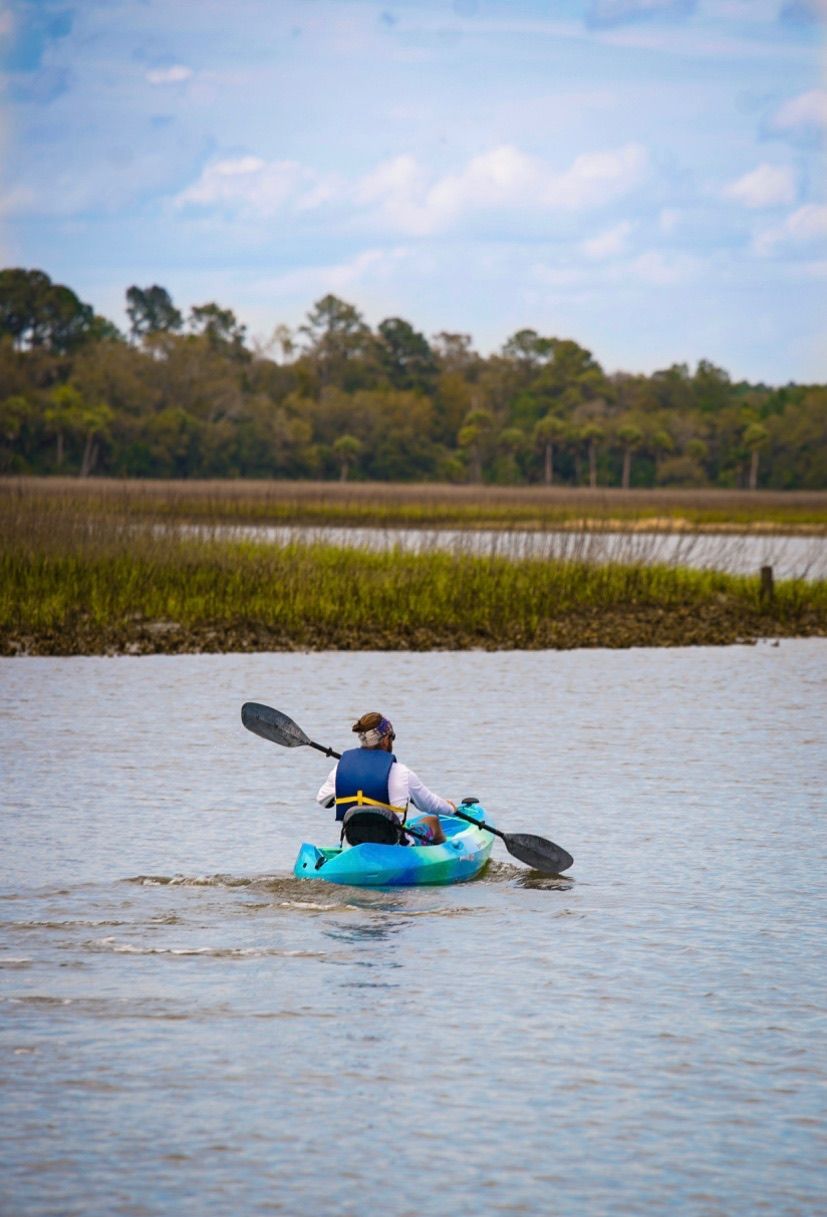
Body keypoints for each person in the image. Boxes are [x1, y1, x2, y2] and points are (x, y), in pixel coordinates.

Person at [316, 711, 455, 845]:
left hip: (356, 844)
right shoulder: (402, 773)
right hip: (396, 846)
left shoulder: (340, 768)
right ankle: (444, 856)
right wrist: (451, 808)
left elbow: (322, 800)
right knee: (432, 821)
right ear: (385, 740)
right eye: (391, 737)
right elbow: (430, 805)